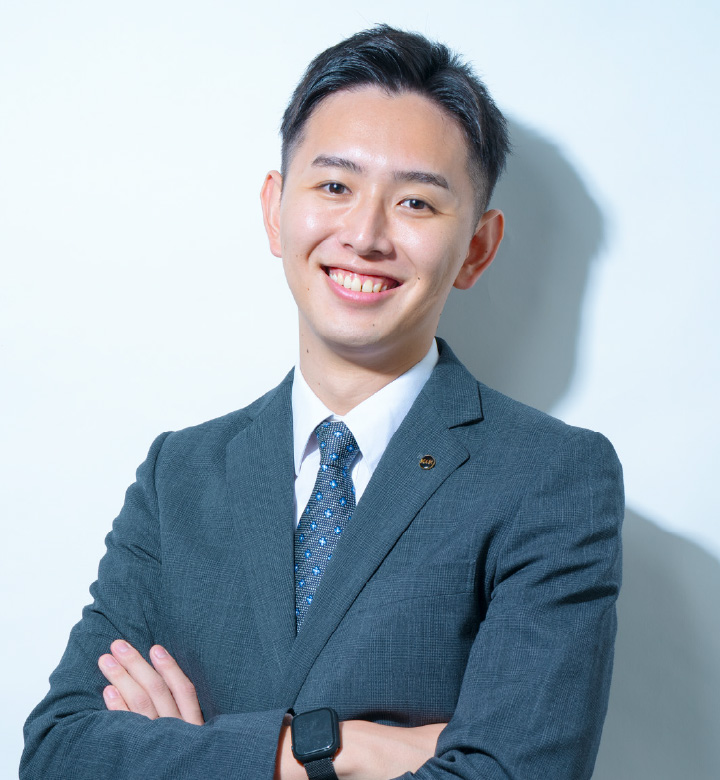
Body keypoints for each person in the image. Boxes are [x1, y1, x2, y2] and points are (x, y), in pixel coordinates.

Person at [21, 25, 623, 780]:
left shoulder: (550, 477)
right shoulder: (180, 474)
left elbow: (514, 774)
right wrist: (338, 749)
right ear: (275, 209)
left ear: (477, 248)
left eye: (416, 202)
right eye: (335, 187)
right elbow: (59, 751)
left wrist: (190, 752)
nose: (365, 235)